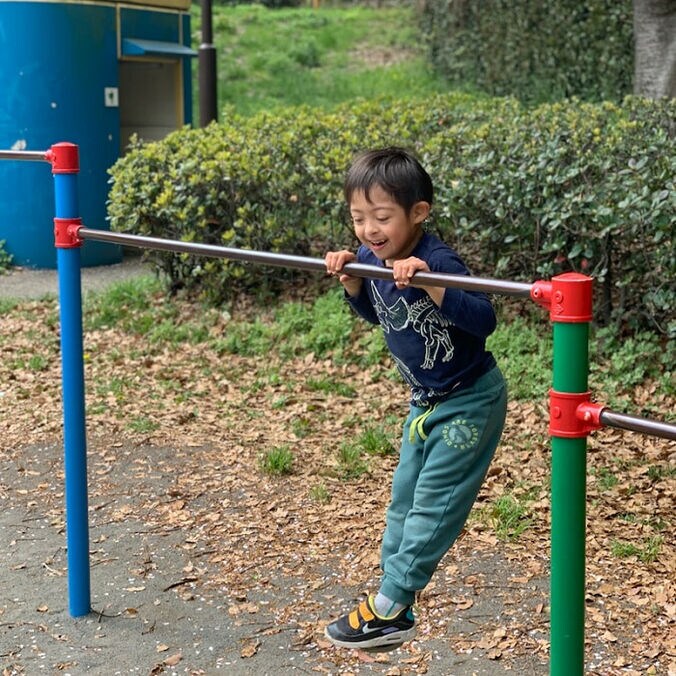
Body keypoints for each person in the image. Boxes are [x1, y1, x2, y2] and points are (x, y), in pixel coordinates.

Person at [323, 147, 507, 650]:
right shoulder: (369, 259)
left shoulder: (438, 260)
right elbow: (381, 317)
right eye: (358, 218)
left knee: (432, 503)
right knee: (403, 497)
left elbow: (484, 320)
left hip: (469, 400)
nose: (368, 230)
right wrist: (354, 284)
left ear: (417, 213)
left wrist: (432, 284)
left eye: (382, 217)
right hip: (424, 400)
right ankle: (392, 595)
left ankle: (391, 604)